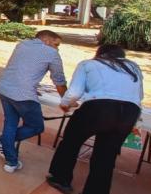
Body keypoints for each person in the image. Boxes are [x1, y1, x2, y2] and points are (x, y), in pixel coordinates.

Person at [47, 44, 143, 194]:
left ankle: (61, 178)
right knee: (107, 154)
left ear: (100, 53)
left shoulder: (88, 64)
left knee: (71, 142)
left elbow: (74, 93)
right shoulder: (133, 67)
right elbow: (139, 95)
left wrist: (65, 104)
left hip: (98, 107)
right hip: (129, 112)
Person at [0, 30, 67, 173]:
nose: (57, 48)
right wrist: (67, 100)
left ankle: (11, 162)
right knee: (36, 127)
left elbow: (22, 69)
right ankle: (3, 142)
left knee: (10, 123)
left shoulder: (22, 45)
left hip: (5, 89)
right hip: (24, 95)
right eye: (56, 44)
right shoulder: (52, 54)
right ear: (47, 40)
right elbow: (59, 81)